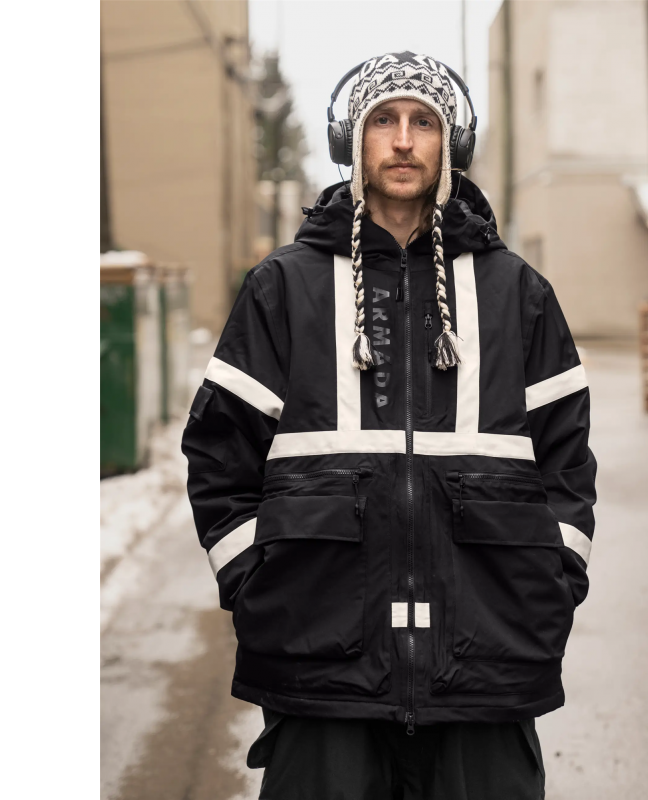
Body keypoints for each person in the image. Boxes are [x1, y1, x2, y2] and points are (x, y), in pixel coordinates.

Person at [181, 51, 597, 799]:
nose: (403, 141)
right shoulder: (283, 288)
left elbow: (568, 464)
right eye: (383, 120)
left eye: (423, 122)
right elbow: (219, 456)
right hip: (319, 668)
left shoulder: (518, 294)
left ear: (450, 144)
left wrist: (551, 589)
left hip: (487, 668)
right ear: (354, 140)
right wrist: (256, 587)